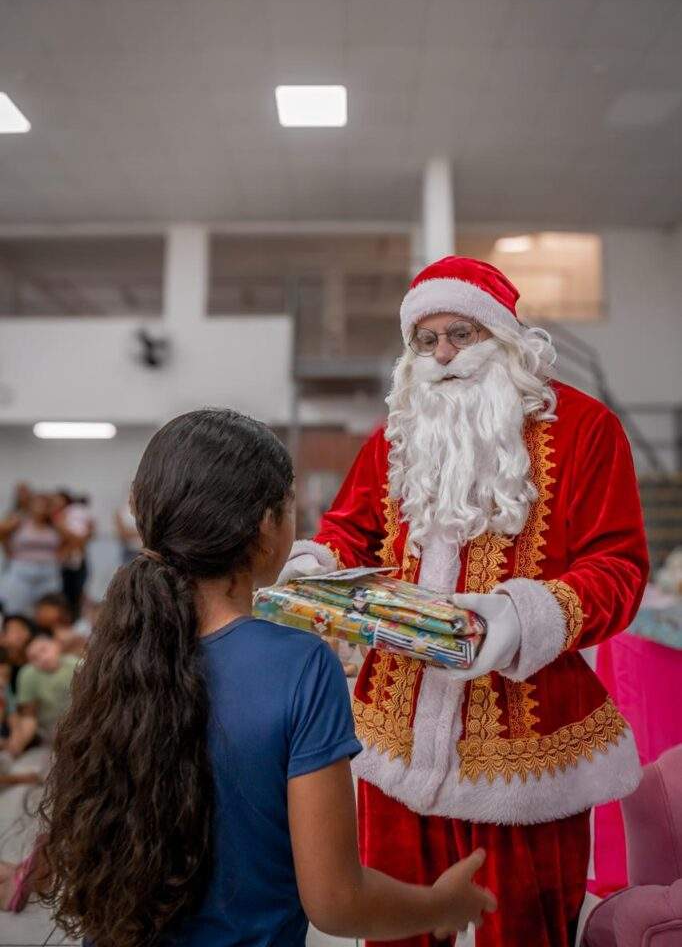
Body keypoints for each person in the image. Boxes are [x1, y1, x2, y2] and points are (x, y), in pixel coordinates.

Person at [280, 256, 649, 947]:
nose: (444, 354)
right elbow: (348, 531)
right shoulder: (396, 435)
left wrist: (517, 619)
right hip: (394, 735)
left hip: (527, 751)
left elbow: (619, 568)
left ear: (504, 336)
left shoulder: (586, 429)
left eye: (462, 334)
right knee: (394, 928)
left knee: (525, 929)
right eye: (427, 340)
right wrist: (315, 566)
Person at [37, 408, 496, 947]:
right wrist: (441, 904)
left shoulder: (118, 646)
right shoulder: (301, 666)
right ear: (265, 527)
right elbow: (336, 901)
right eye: (291, 506)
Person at [0, 493, 71, 617]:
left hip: (48, 571)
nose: (41, 508)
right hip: (22, 570)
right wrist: (8, 550)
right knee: (15, 609)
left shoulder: (55, 526)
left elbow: (73, 539)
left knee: (48, 610)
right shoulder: (20, 521)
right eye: (38, 504)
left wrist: (61, 554)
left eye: (45, 505)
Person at [8, 634, 78, 758]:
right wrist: (19, 742)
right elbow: (29, 716)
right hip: (50, 733)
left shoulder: (75, 664)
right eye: (34, 658)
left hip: (79, 724)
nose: (42, 658)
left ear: (56, 645)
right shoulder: (28, 675)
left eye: (44, 650)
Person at [52, 491, 95, 617]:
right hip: (61, 561)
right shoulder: (56, 518)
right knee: (63, 593)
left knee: (77, 591)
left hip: (78, 559)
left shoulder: (74, 514)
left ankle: (75, 617)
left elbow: (88, 533)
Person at [0, 613, 37, 693]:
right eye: (13, 630)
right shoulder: (3, 665)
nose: (20, 634)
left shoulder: (38, 660)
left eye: (23, 629)